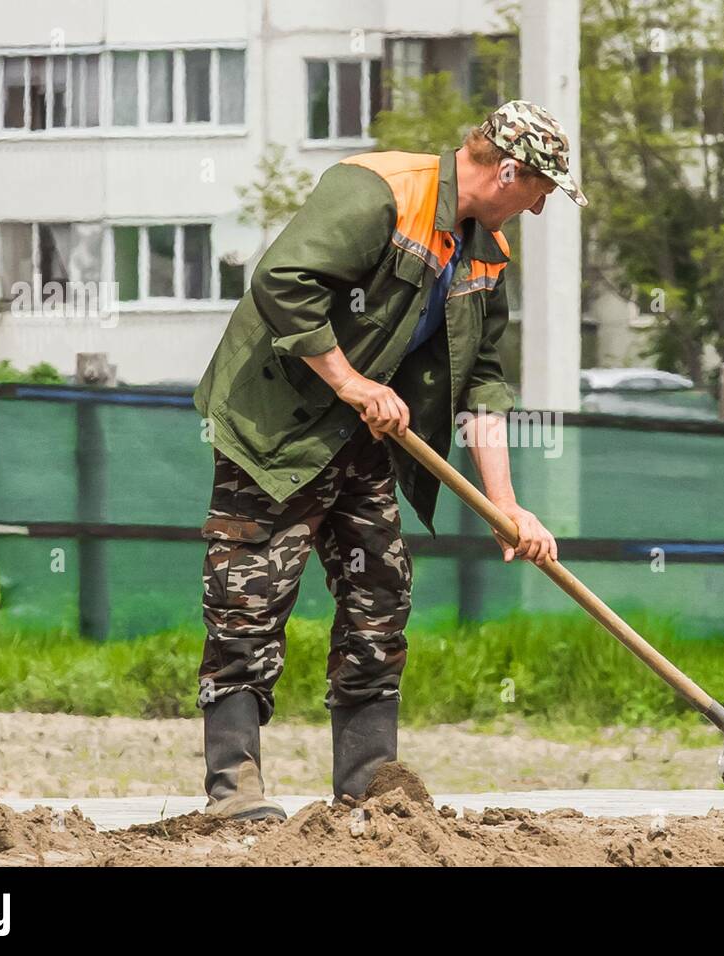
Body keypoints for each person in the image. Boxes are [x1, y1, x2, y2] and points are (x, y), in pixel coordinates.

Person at [192, 100, 588, 818]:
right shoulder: (380, 191)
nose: (537, 211)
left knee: (380, 599)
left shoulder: (483, 254)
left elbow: (482, 384)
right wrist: (351, 382)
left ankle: (369, 792)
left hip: (361, 441)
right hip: (276, 429)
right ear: (508, 171)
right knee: (248, 606)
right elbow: (281, 281)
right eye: (540, 192)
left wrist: (506, 509)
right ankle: (235, 793)